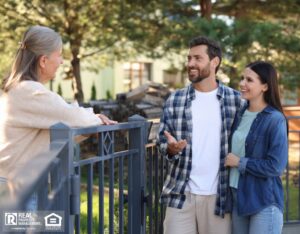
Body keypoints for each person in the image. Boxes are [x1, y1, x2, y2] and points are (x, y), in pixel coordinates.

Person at [0, 26, 116, 191]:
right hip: (15, 189)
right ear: (43, 60)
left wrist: (89, 128)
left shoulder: (21, 89)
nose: (61, 61)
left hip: (14, 184)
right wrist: (96, 119)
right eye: (59, 55)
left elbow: (50, 133)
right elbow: (76, 117)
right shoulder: (30, 92)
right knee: (24, 219)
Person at [157, 36, 245, 234]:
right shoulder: (175, 99)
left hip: (219, 197)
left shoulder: (236, 100)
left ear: (215, 62)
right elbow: (162, 140)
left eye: (197, 58)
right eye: (189, 58)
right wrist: (170, 148)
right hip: (181, 194)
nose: (190, 64)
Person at [225, 61, 288, 234]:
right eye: (242, 78)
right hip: (238, 196)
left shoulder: (275, 119)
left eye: (249, 80)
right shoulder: (240, 114)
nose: (242, 84)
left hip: (262, 200)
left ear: (265, 86)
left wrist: (239, 162)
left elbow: (275, 166)